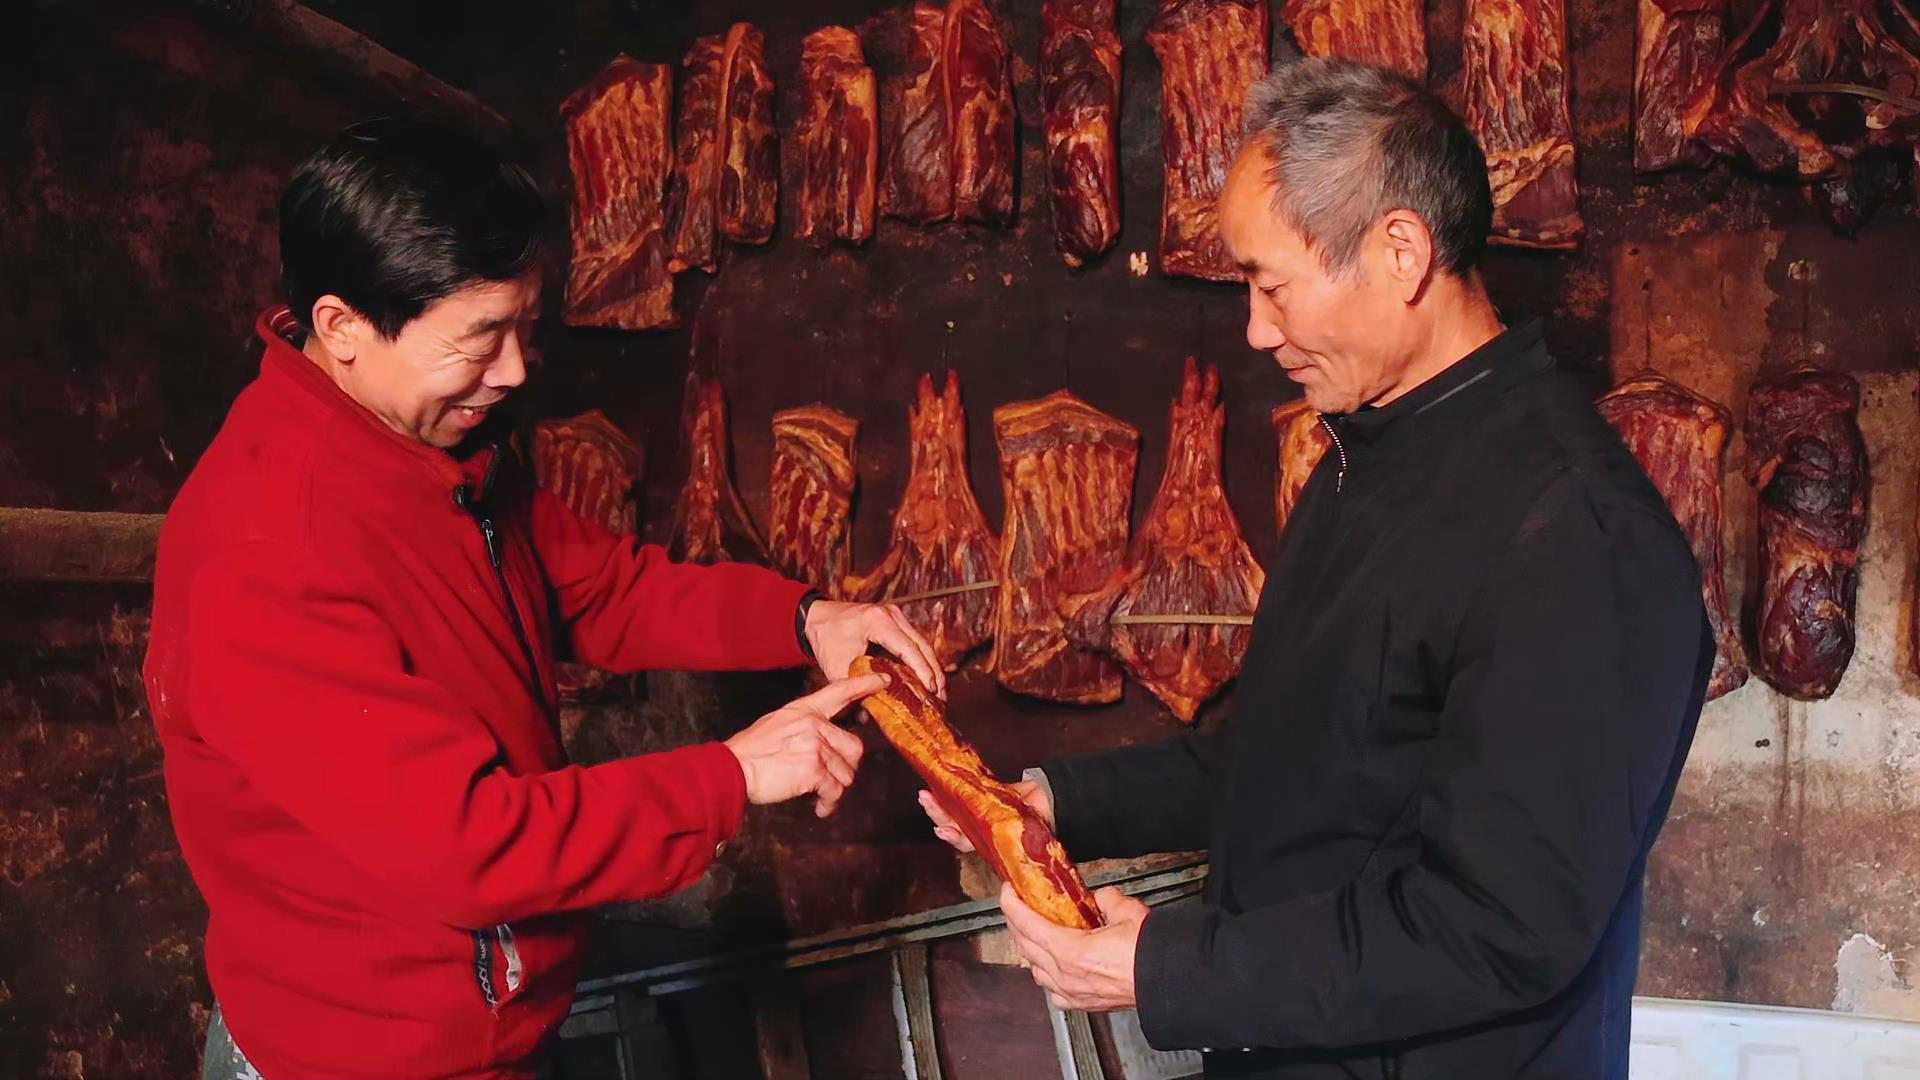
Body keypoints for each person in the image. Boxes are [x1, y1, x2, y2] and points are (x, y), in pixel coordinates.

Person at [922, 59, 1710, 1079]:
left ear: (1400, 252)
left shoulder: (1577, 534)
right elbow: (1286, 755)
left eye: (1271, 284)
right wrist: (1053, 802)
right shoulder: (1363, 459)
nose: (1256, 329)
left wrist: (1169, 969)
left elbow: (1500, 927)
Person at [144, 118, 944, 1080]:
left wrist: (805, 619)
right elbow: (467, 846)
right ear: (342, 327)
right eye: (480, 338)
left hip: (493, 1023)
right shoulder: (266, 554)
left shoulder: (430, 447)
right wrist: (729, 776)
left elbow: (605, 589)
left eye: (523, 327)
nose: (515, 371)